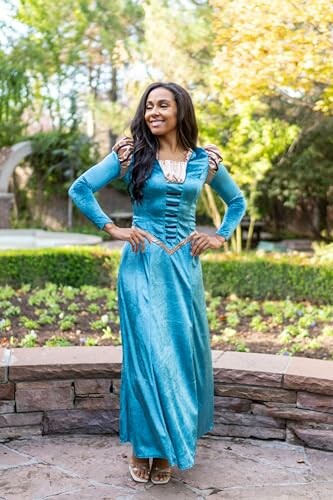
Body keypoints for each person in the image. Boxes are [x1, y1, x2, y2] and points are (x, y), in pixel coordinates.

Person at [68, 82, 246, 485]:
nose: (154, 112)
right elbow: (80, 189)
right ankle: (143, 448)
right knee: (147, 356)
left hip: (184, 269)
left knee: (179, 356)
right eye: (149, 106)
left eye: (163, 105)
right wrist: (112, 228)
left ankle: (167, 449)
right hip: (141, 265)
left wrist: (219, 234)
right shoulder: (131, 154)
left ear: (181, 110)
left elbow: (237, 202)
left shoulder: (204, 161)